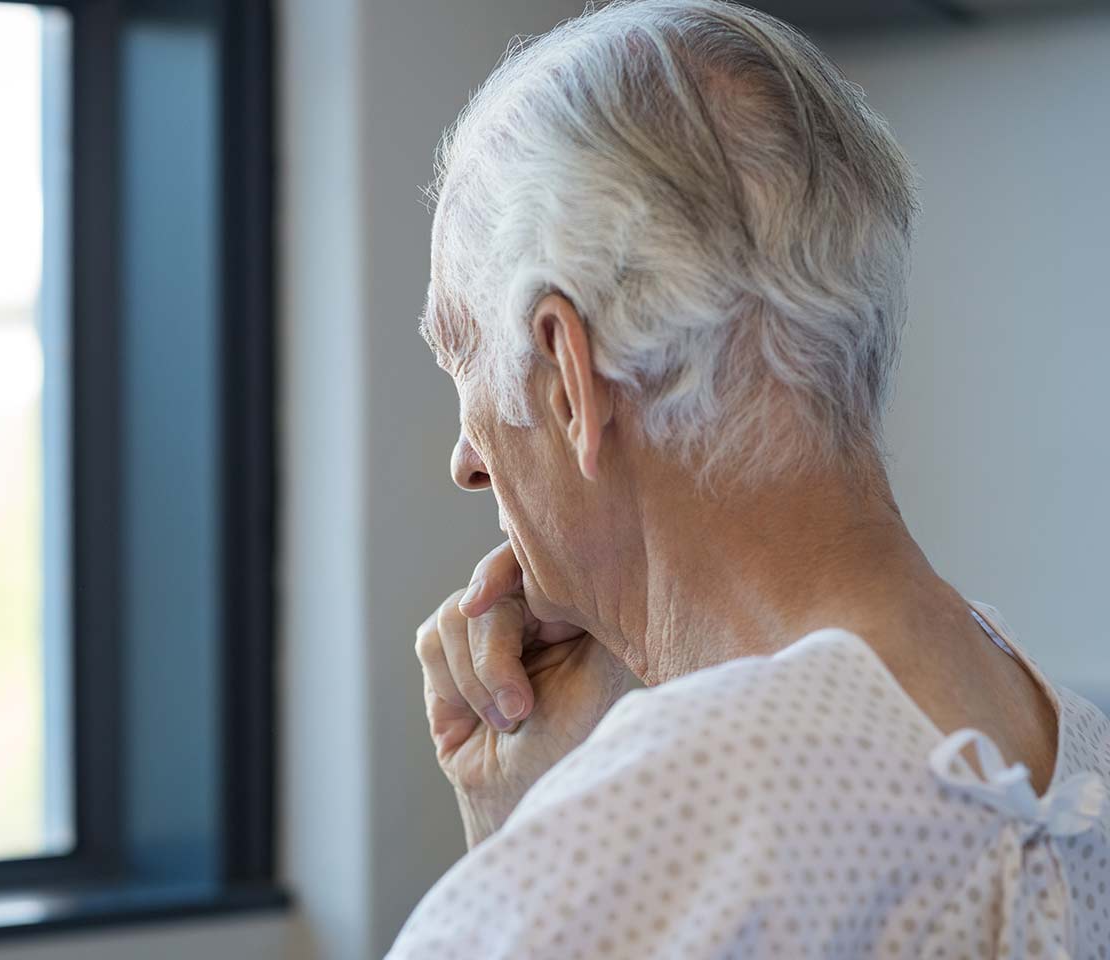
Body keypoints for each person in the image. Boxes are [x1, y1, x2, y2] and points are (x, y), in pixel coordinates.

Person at [387, 2, 1110, 957]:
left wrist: (541, 851)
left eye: (464, 361)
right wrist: (540, 811)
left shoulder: (658, 837)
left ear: (570, 375)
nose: (467, 459)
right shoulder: (1078, 760)